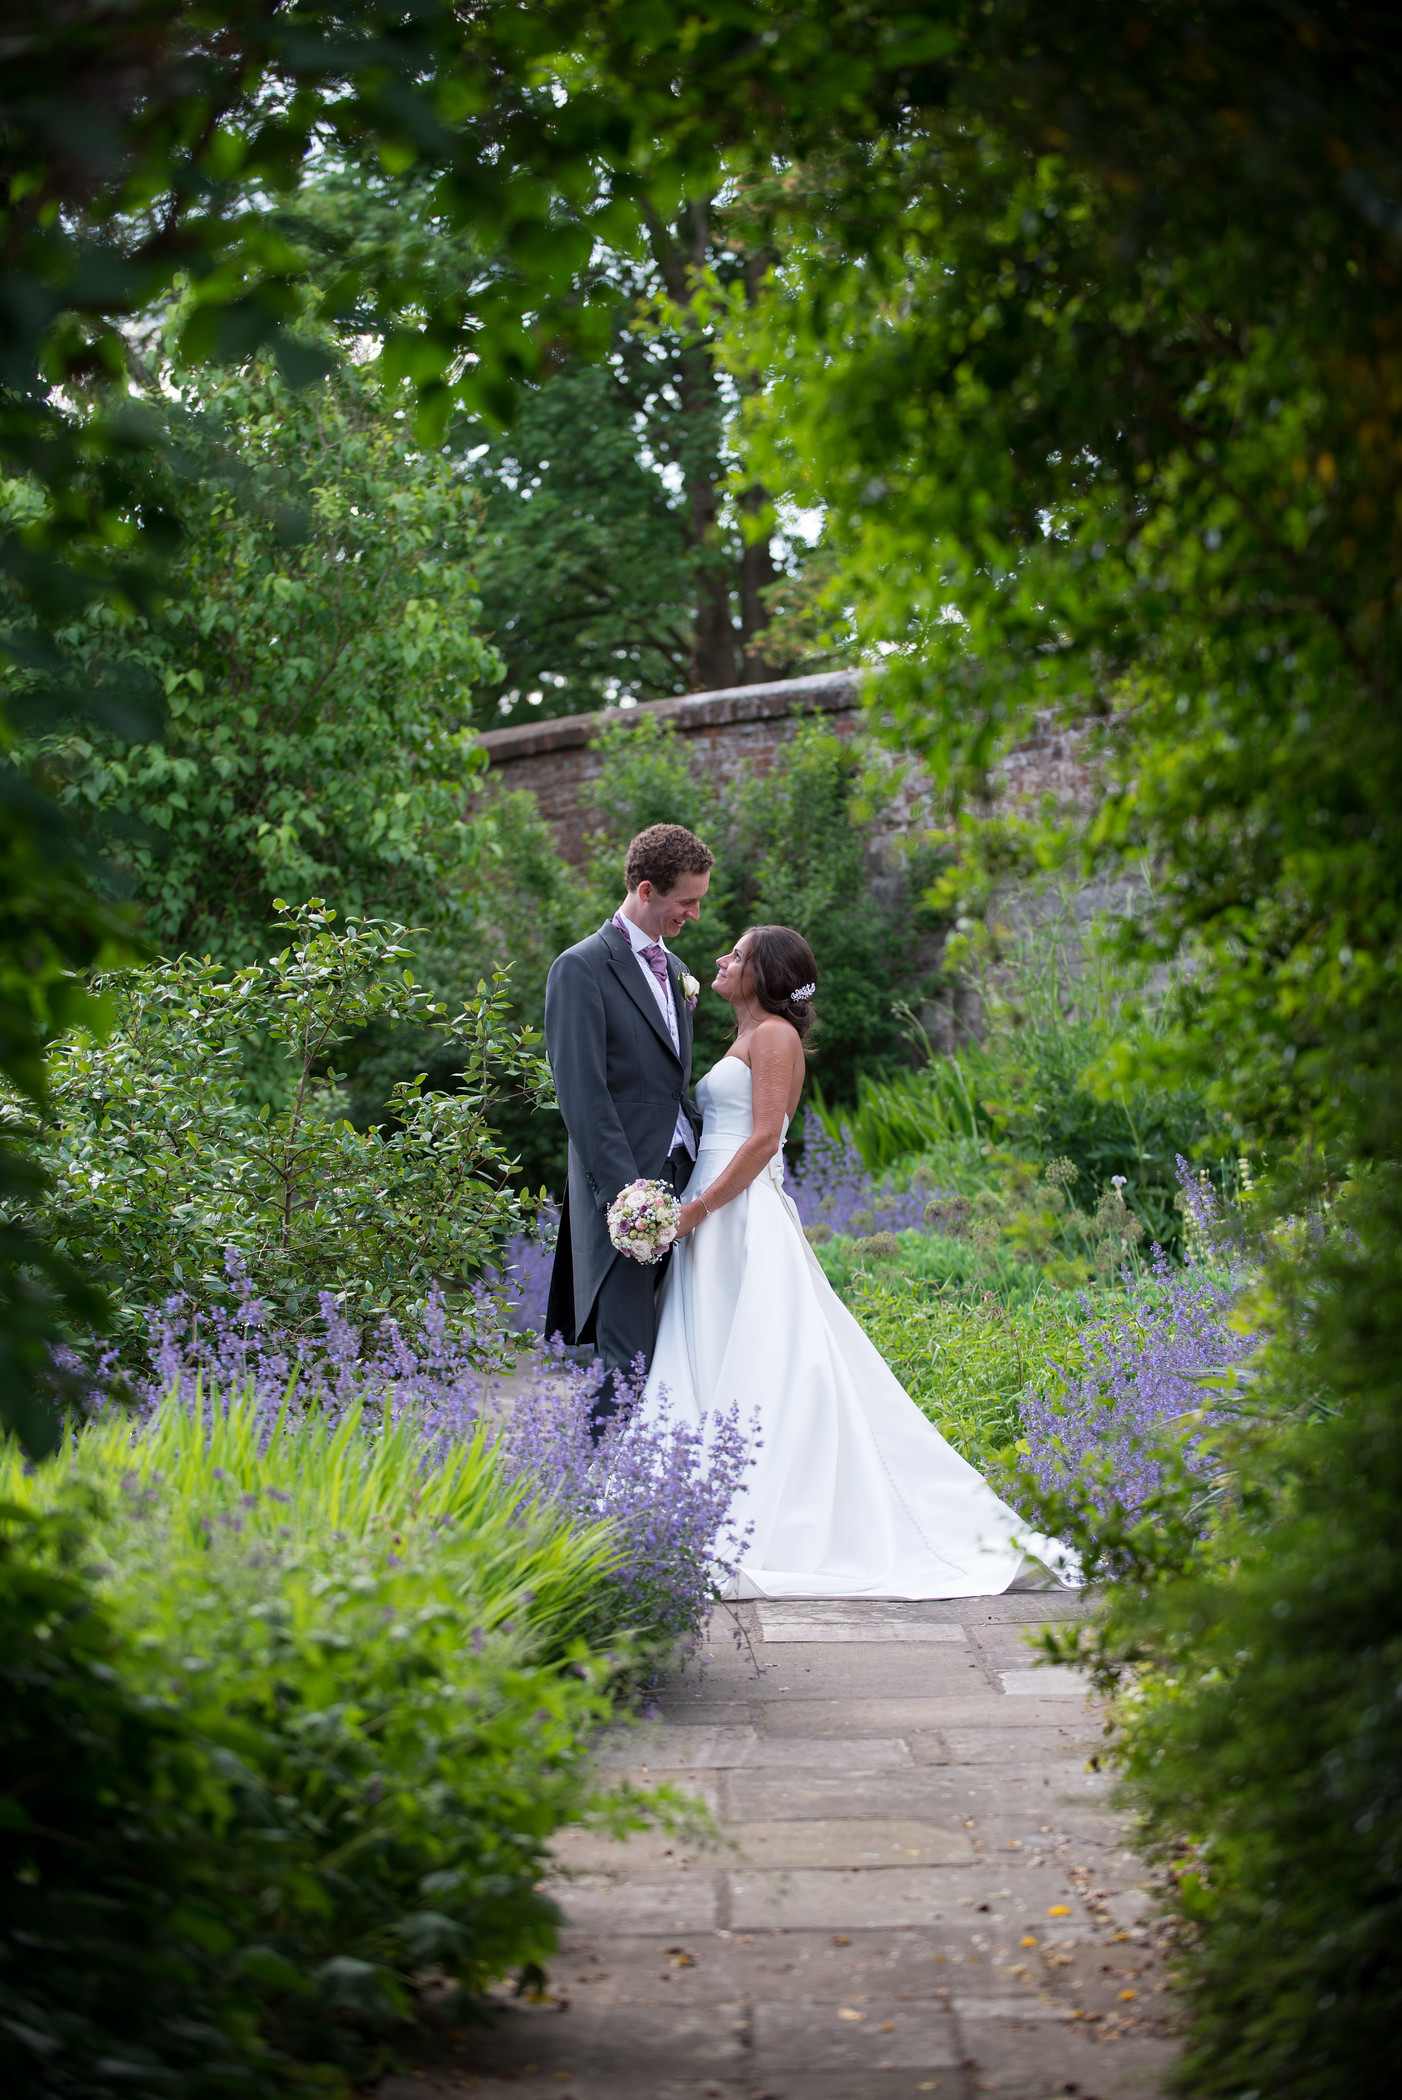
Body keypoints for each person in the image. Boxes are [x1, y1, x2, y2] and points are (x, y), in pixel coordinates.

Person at [637, 923, 1076, 1598]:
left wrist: (694, 1214)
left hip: (739, 1216)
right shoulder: (743, 1034)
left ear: (765, 975)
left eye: (738, 954)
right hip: (714, 1212)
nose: (721, 959)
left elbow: (762, 1142)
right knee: (712, 1349)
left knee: (763, 1356)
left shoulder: (775, 1036)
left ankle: (770, 1512)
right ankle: (699, 1500)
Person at [544, 822, 714, 1435]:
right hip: (626, 1196)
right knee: (629, 1362)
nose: (694, 914)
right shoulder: (581, 969)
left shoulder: (677, 968)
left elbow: (670, 1083)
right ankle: (592, 1501)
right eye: (685, 901)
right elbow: (583, 1097)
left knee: (674, 1354)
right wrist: (629, 1198)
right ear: (646, 890)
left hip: (685, 1180)